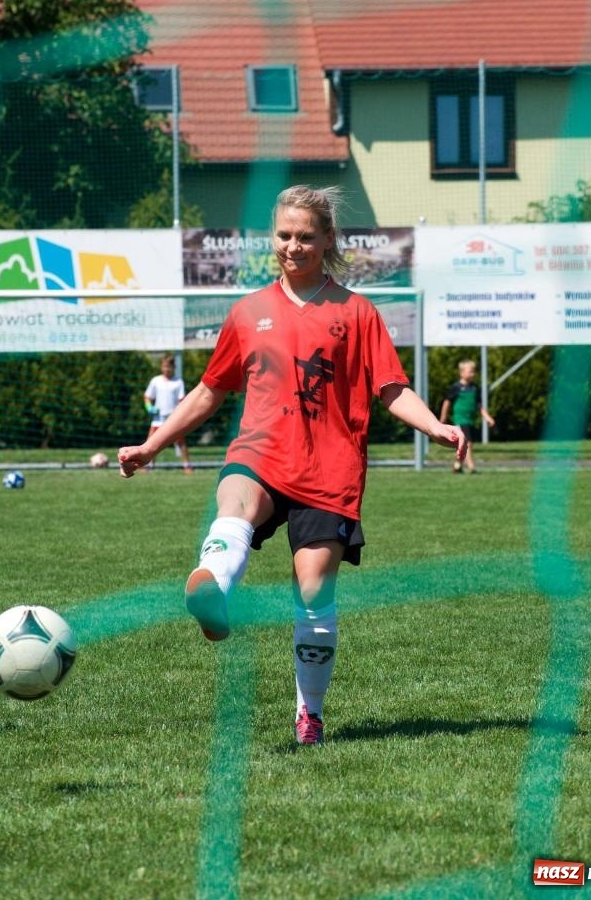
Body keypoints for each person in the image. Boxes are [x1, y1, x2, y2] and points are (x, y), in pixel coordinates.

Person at [119, 186, 466, 745]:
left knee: (312, 591)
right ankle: (213, 590)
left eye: (306, 237)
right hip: (260, 452)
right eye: (284, 236)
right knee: (236, 500)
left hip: (330, 470)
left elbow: (391, 387)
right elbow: (209, 392)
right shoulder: (248, 312)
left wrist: (437, 426)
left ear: (328, 239)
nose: (294, 246)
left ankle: (310, 712)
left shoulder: (357, 312)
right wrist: (152, 444)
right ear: (272, 239)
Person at [439, 359, 496, 474]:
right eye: (470, 371)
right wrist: (443, 418)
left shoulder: (474, 388)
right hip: (460, 419)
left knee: (463, 443)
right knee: (468, 442)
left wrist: (487, 417)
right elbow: (447, 403)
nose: (473, 374)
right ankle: (471, 466)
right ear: (462, 373)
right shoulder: (456, 388)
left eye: (473, 371)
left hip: (470, 419)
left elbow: (479, 406)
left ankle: (457, 465)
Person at [143, 354, 194, 473]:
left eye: (169, 367)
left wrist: (180, 413)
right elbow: (147, 397)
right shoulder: (156, 381)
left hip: (173, 418)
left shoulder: (178, 382)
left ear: (174, 368)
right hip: (158, 418)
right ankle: (149, 465)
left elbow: (182, 400)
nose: (166, 369)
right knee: (151, 442)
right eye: (164, 366)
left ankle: (187, 465)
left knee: (180, 442)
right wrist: (149, 407)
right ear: (161, 367)